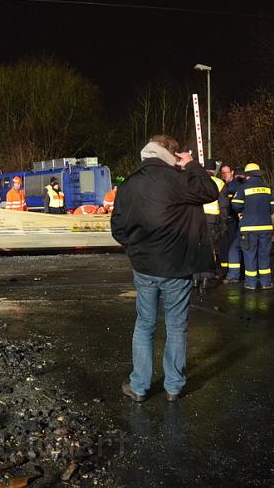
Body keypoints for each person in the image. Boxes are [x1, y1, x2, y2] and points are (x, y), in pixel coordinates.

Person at [111, 135, 218, 403]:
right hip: (177, 268)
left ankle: (139, 387)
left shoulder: (129, 184)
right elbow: (210, 190)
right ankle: (173, 386)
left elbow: (117, 228)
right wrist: (192, 164)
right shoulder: (180, 180)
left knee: (144, 325)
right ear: (173, 155)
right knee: (176, 326)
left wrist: (135, 249)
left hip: (144, 267)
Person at [231, 163, 274, 290]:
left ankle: (251, 283)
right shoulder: (268, 188)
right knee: (264, 255)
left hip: (248, 228)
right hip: (265, 228)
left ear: (248, 175)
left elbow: (235, 205)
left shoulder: (243, 188)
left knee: (250, 255)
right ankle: (266, 283)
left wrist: (244, 210)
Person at [194, 159, 227, 292]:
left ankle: (195, 278)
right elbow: (224, 205)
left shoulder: (196, 181)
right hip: (212, 219)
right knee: (209, 249)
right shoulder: (219, 183)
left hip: (196, 218)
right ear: (214, 170)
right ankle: (207, 277)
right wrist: (223, 221)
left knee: (196, 247)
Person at [218, 164, 241, 281]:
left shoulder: (236, 186)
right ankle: (224, 270)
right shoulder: (223, 185)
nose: (224, 175)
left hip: (233, 220)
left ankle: (235, 272)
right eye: (222, 173)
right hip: (224, 220)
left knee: (233, 246)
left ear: (232, 172)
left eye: (226, 172)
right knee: (224, 246)